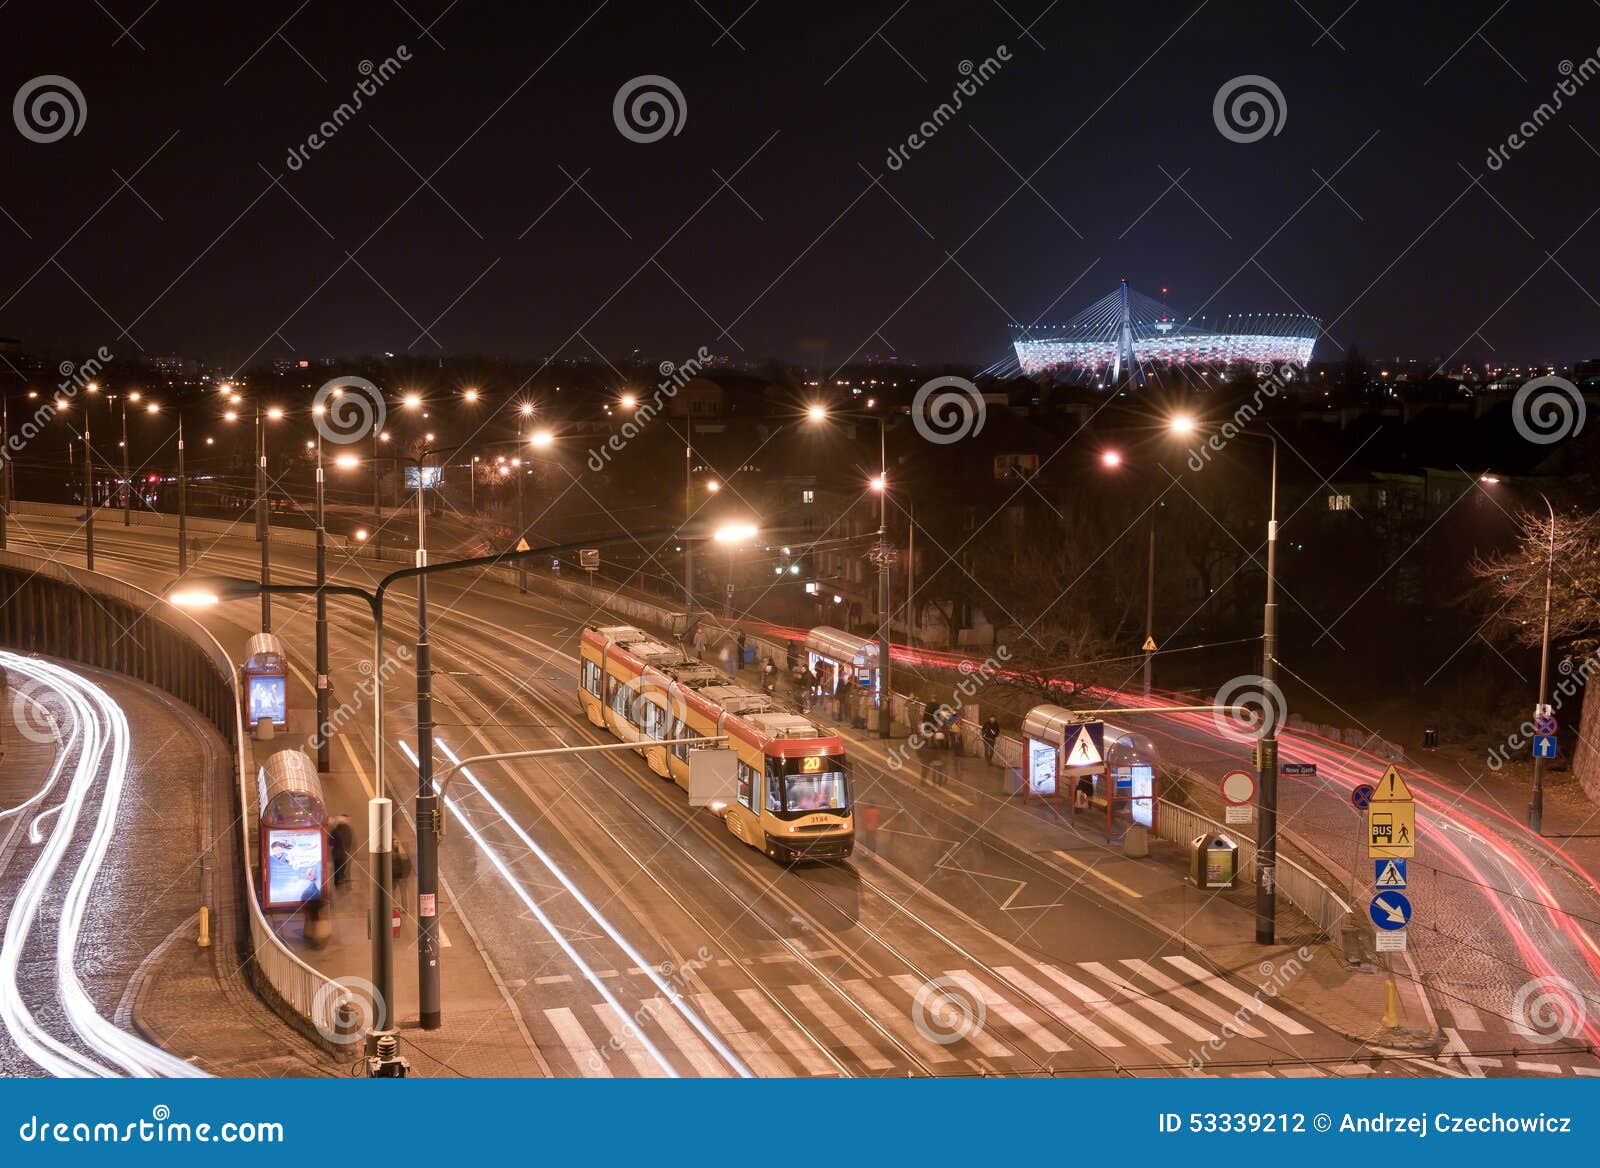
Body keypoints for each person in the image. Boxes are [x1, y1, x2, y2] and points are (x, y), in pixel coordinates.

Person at [329, 814, 355, 889]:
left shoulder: (334, 830)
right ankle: (341, 882)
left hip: (336, 852)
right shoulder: (347, 829)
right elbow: (349, 841)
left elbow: (330, 842)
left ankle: (338, 882)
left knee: (337, 868)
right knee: (343, 867)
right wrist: (348, 849)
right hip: (343, 852)